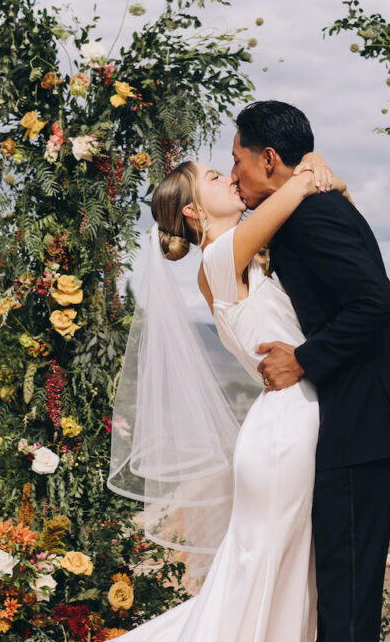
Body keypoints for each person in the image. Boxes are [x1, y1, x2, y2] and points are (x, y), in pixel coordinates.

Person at [107, 150, 350, 642]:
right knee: (263, 571)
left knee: (277, 569)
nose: (231, 179)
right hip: (285, 432)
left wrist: (326, 179)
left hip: (288, 423)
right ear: (194, 211)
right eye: (216, 177)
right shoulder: (220, 259)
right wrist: (310, 169)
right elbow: (293, 194)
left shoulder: (243, 260)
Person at [231, 100, 390, 641]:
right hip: (357, 418)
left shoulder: (308, 215)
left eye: (238, 161)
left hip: (360, 420)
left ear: (270, 158)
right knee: (345, 590)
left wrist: (303, 359)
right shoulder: (304, 206)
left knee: (346, 597)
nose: (234, 174)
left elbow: (377, 304)